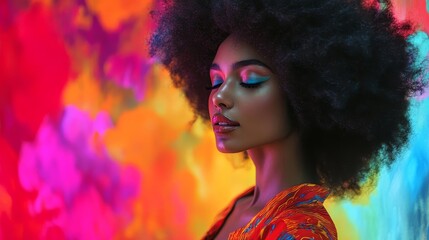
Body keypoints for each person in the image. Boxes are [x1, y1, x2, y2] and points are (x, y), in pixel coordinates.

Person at [149, 0, 426, 239]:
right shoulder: (245, 204)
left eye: (250, 81)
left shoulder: (301, 232)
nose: (219, 96)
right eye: (215, 81)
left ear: (306, 90)